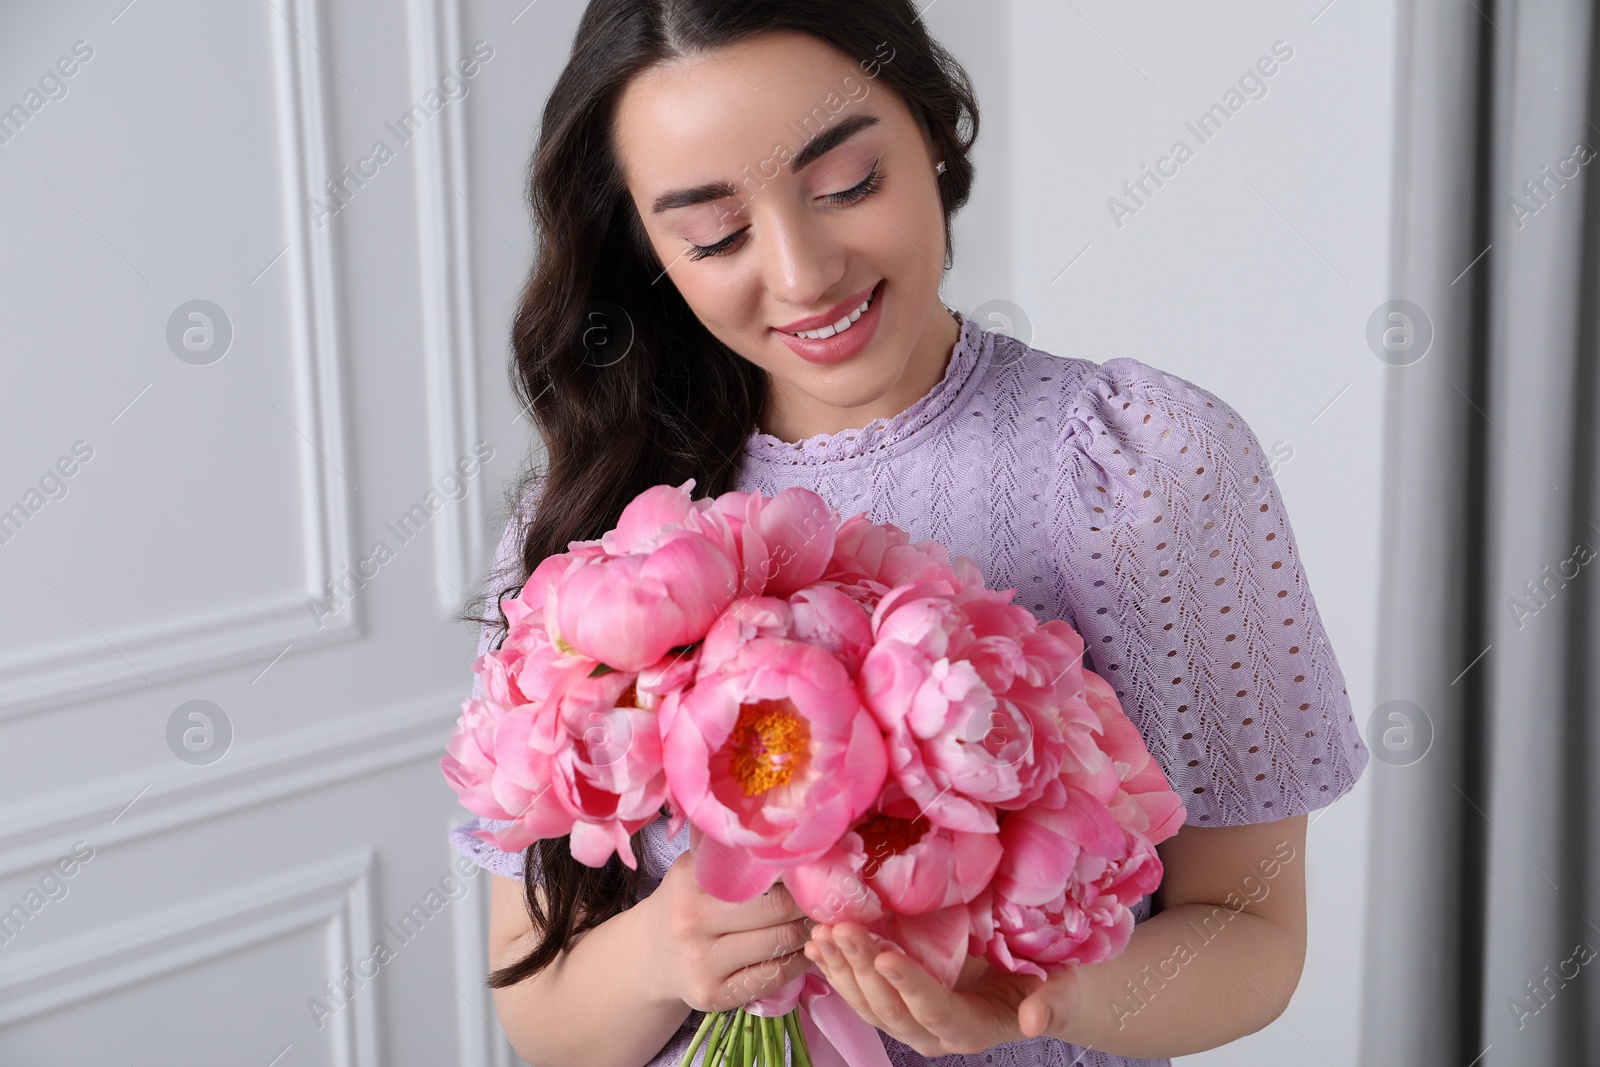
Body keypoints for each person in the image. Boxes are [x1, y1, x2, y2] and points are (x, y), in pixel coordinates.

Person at [448, 2, 1371, 1064]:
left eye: (847, 184)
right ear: (646, 244)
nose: (801, 273)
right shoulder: (596, 529)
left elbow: (1254, 933)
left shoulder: (1143, 468)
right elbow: (542, 1014)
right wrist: (669, 949)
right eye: (713, 235)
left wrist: (1044, 999)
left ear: (931, 131)